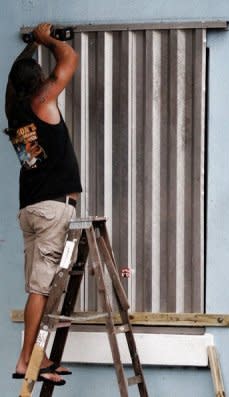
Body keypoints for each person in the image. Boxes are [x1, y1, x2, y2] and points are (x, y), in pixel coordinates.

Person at [5, 22, 82, 386]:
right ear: (38, 82)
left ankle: (40, 356)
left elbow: (14, 80)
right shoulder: (41, 101)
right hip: (51, 208)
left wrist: (30, 45)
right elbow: (68, 59)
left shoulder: (15, 110)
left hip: (31, 207)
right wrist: (48, 39)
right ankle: (26, 360)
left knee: (40, 286)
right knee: (40, 288)